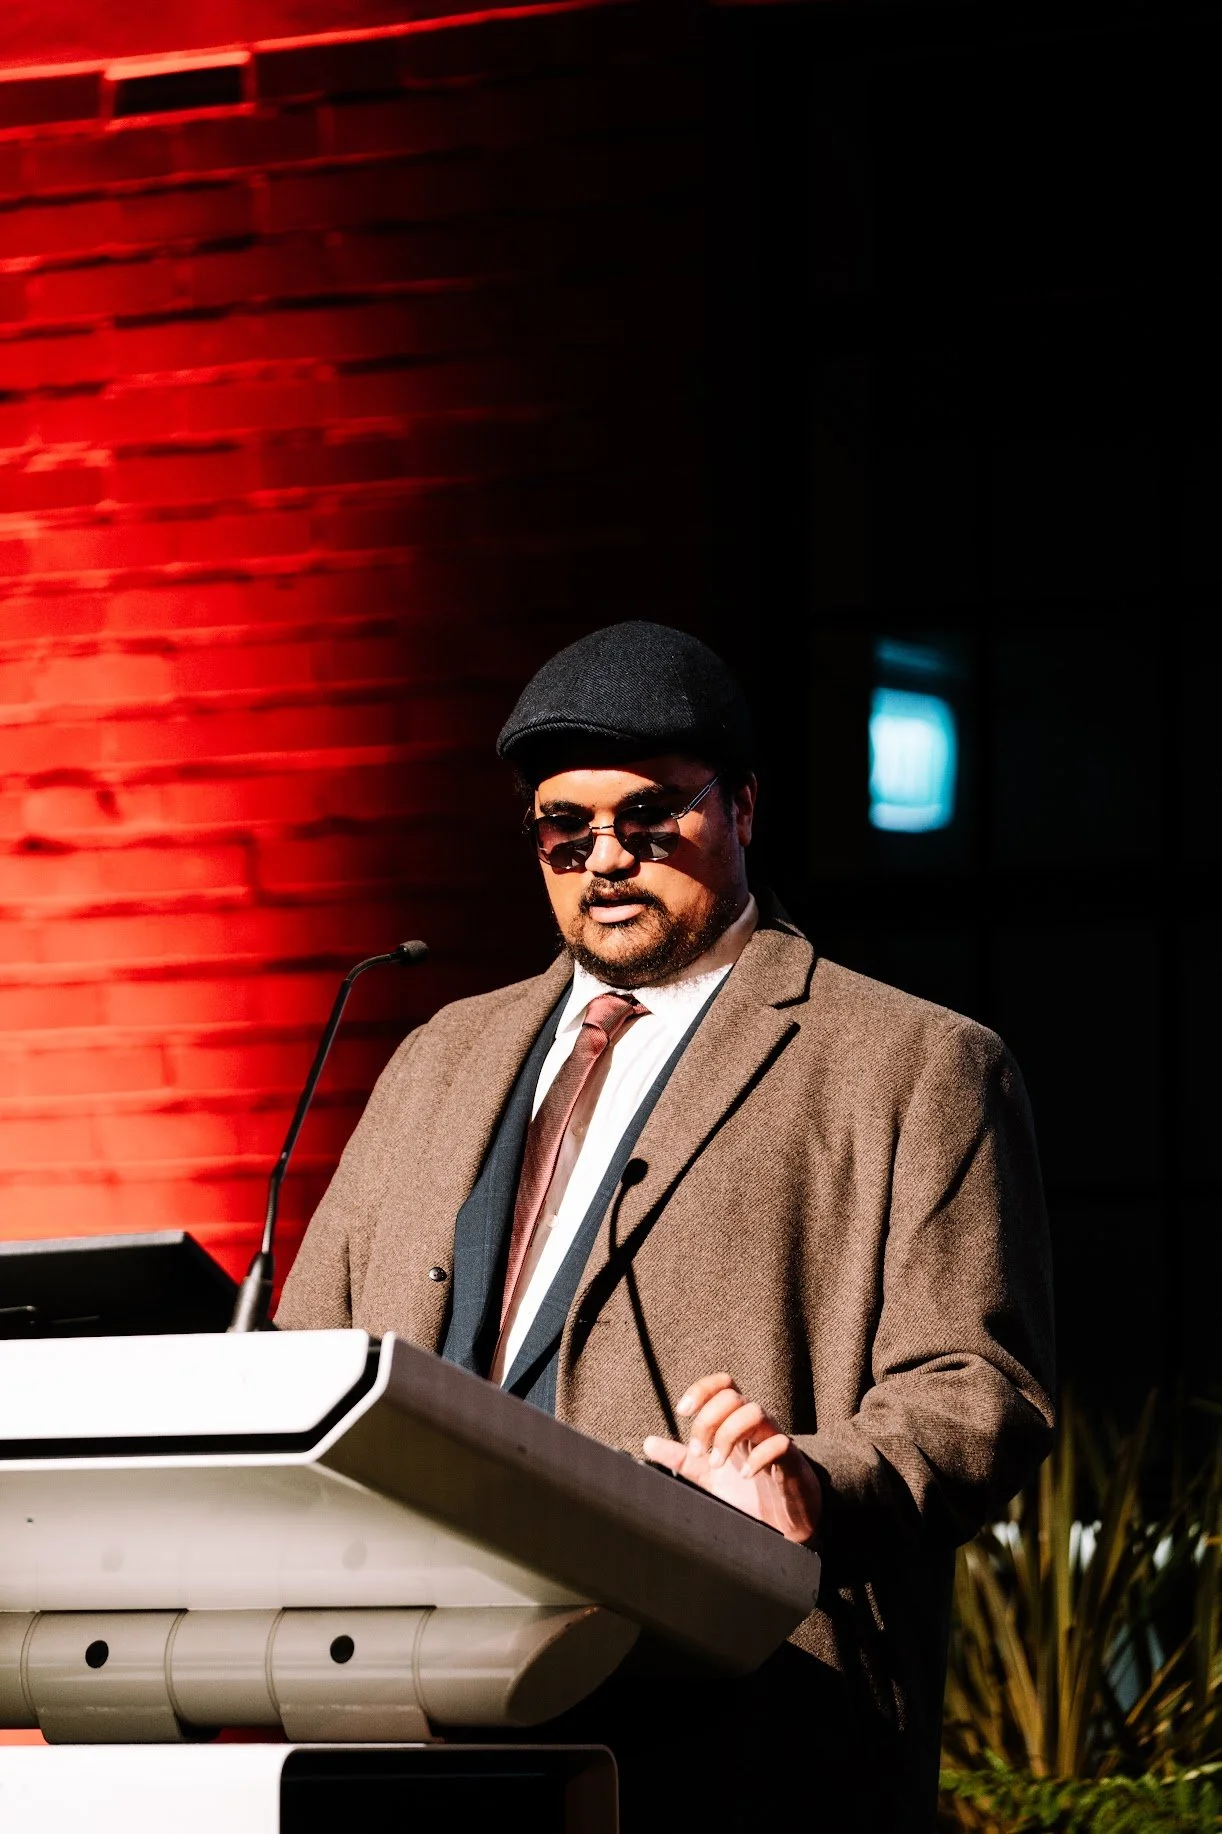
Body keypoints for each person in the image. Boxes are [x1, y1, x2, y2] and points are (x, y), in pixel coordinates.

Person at [277, 619, 1054, 1830]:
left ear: (740, 809)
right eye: (564, 827)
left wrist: (809, 1484)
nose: (605, 858)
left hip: (736, 1716)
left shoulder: (912, 1062)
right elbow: (306, 1351)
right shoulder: (437, 1056)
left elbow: (975, 1388)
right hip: (407, 1701)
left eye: (650, 817)